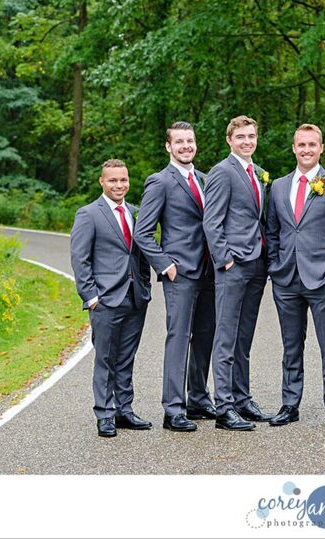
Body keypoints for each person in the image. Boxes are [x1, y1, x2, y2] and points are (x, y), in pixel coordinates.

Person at [265, 124, 325, 428]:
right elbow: (272, 231)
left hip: (324, 278)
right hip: (286, 279)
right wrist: (275, 267)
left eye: (312, 145)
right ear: (294, 148)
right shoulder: (278, 186)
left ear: (321, 148)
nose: (306, 150)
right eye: (301, 145)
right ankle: (290, 404)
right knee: (291, 346)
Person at [133, 121, 216, 433]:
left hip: (209, 270)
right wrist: (165, 264)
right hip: (179, 273)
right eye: (179, 142)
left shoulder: (206, 180)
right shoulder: (160, 181)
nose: (186, 146)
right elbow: (143, 232)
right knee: (179, 338)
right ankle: (173, 409)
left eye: (190, 141)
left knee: (205, 337)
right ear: (168, 146)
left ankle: (198, 398)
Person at [70, 159, 152, 437]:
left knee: (126, 357)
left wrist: (146, 287)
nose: (119, 185)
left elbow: (140, 254)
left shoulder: (136, 212)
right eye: (113, 180)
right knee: (106, 357)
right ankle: (104, 414)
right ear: (102, 182)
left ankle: (124, 410)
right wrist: (91, 297)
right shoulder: (88, 214)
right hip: (105, 299)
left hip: (135, 297)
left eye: (124, 180)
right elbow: (80, 259)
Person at [202, 115, 274, 431]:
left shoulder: (258, 173)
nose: (247, 141)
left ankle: (243, 399)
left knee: (244, 337)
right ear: (230, 140)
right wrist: (225, 259)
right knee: (226, 338)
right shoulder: (222, 172)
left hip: (256, 264)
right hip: (234, 266)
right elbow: (211, 221)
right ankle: (225, 407)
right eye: (241, 137)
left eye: (251, 136)